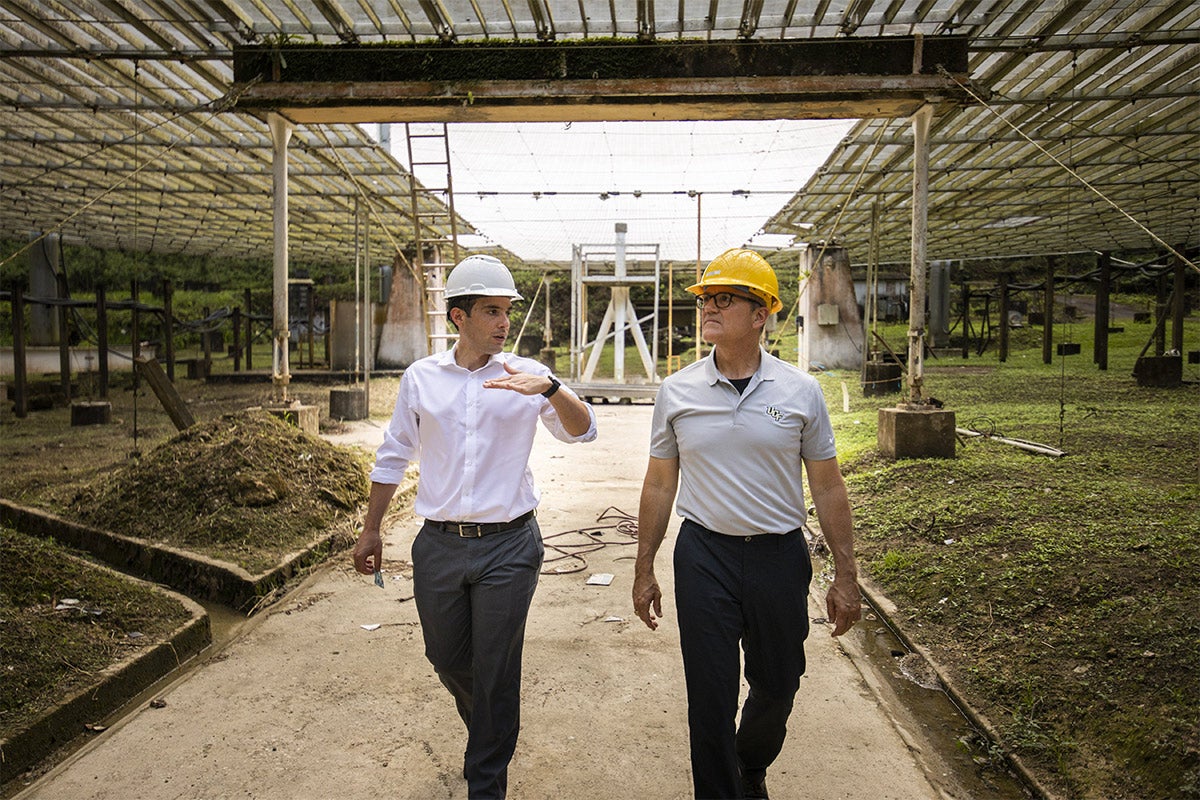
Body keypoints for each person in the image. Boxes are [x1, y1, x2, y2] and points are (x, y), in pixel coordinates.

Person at [353, 254, 596, 799]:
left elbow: (584, 432)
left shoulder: (527, 378)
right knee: (447, 658)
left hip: (510, 546)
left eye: (507, 311)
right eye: (491, 311)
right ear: (458, 317)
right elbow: (393, 454)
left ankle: (486, 780)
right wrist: (372, 528)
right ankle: (489, 730)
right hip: (438, 545)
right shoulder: (422, 378)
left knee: (496, 666)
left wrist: (553, 388)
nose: (504, 322)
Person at [631, 248, 862, 800]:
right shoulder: (678, 392)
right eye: (706, 299)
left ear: (761, 314)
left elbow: (827, 486)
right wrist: (644, 568)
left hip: (778, 557)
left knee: (778, 684)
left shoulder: (801, 392)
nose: (709, 307)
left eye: (724, 298)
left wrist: (847, 575)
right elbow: (660, 484)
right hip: (703, 555)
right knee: (709, 695)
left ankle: (750, 762)